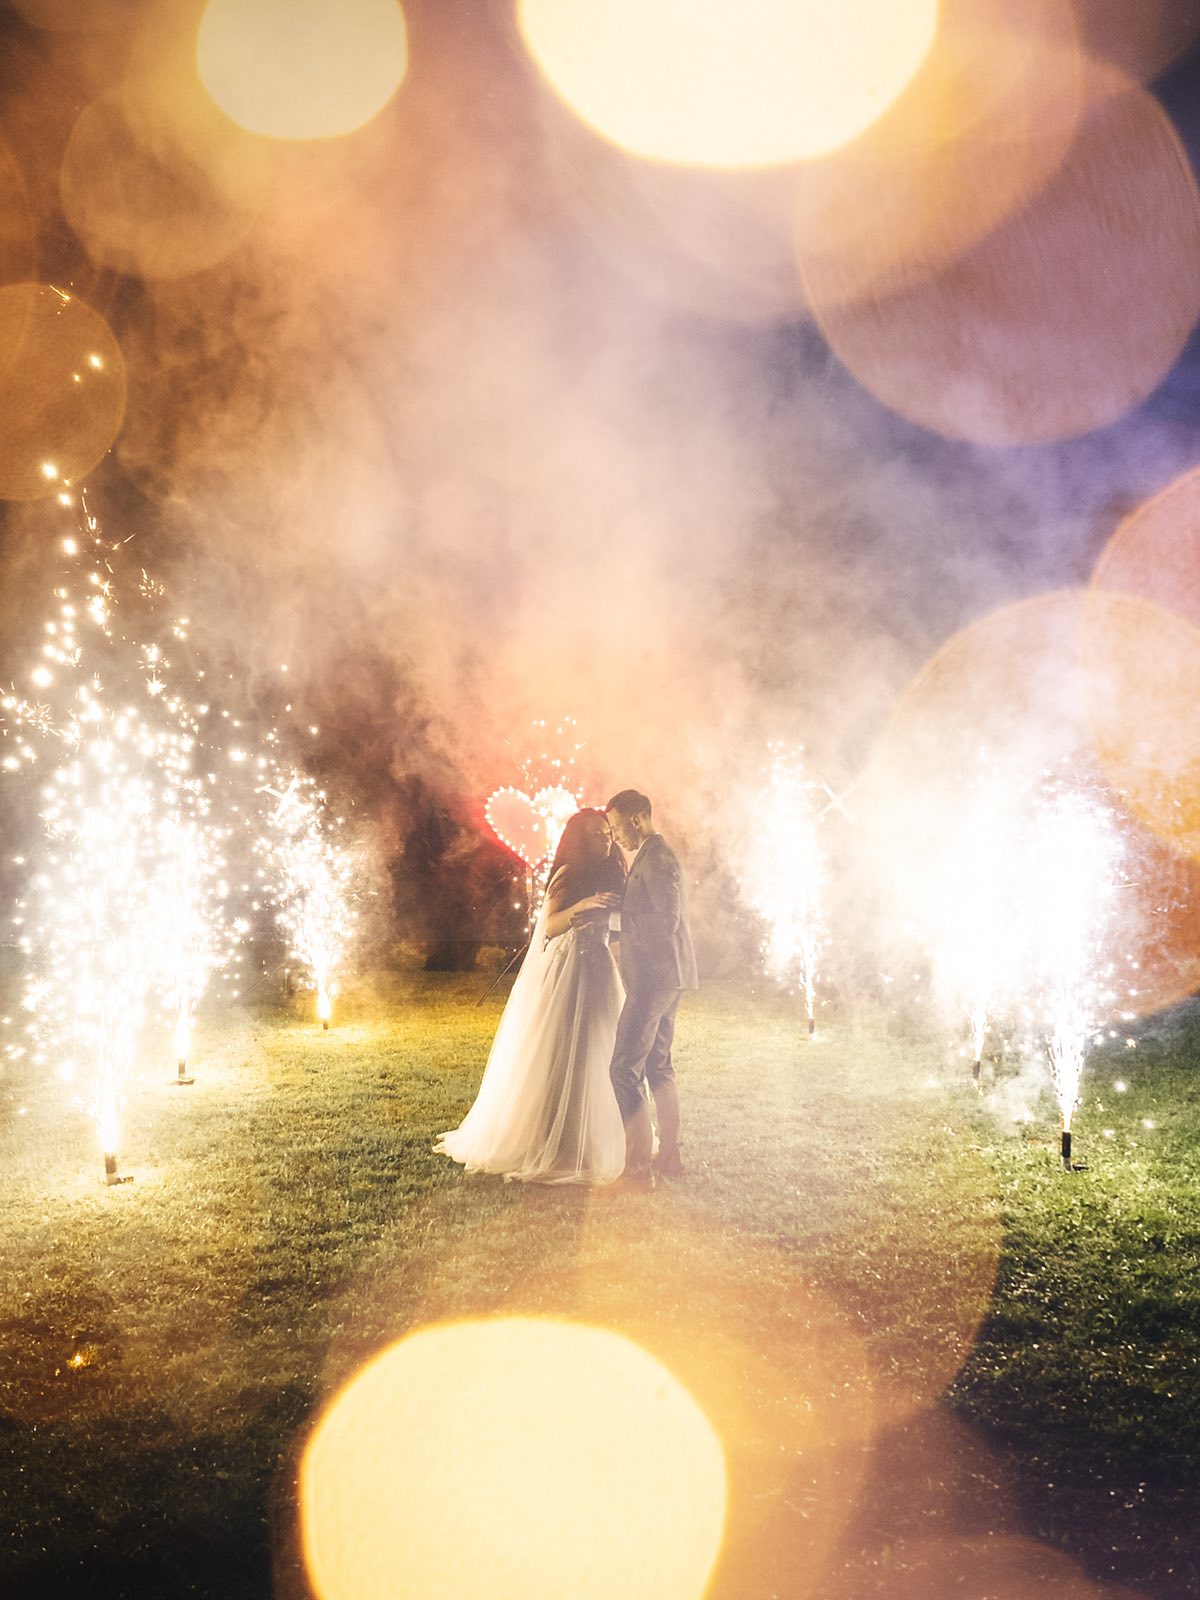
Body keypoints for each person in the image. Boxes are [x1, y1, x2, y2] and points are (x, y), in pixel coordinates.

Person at [435, 809, 627, 1184]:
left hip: (601, 969)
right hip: (569, 969)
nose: (604, 839)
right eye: (595, 834)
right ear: (578, 838)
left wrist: (606, 919)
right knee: (563, 1050)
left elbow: (617, 926)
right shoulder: (568, 873)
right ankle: (552, 1137)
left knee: (600, 1050)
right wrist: (582, 907)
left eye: (607, 833)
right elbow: (550, 926)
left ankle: (592, 1137)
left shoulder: (613, 874)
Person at [605, 789, 698, 1191]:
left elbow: (665, 922)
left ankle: (638, 1170)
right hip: (664, 977)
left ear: (636, 820)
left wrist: (614, 921)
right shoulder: (650, 856)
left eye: (616, 827)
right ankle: (670, 1158)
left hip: (653, 980)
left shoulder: (658, 858)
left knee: (623, 1069)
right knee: (658, 1066)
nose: (615, 836)